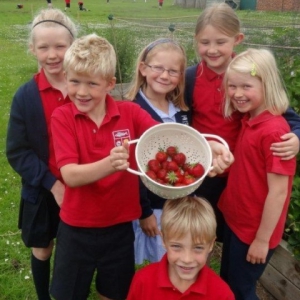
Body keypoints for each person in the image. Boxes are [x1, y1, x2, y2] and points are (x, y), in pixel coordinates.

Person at [185, 2, 300, 243]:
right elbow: (184, 119)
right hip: (201, 170)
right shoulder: (191, 78)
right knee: (199, 231)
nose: (212, 50)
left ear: (237, 39)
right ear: (196, 40)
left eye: (221, 42)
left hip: (237, 175)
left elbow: (287, 115)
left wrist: (298, 136)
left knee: (229, 235)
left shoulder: (249, 75)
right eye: (205, 43)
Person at [126, 38, 234, 265]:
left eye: (173, 71)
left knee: (177, 257)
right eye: (158, 68)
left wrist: (209, 149)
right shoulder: (132, 110)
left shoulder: (181, 110)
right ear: (143, 68)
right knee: (159, 258)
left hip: (181, 201)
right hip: (152, 206)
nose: (165, 76)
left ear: (181, 76)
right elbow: (133, 169)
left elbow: (186, 149)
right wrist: (144, 212)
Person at [6, 8, 77, 300]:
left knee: (73, 247)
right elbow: (17, 151)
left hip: (80, 185)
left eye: (60, 46)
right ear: (32, 49)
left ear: (73, 46)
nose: (53, 54)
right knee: (42, 246)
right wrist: (51, 183)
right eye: (44, 47)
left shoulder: (84, 88)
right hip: (42, 189)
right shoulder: (26, 96)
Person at [218, 48, 296, 300]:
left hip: (254, 231)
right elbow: (248, 168)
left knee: (241, 289)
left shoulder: (274, 132)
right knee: (228, 281)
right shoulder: (250, 120)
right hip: (237, 222)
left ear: (267, 84)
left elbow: (279, 192)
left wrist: (262, 240)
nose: (237, 94)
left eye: (246, 86)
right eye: (232, 86)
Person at [127, 196, 235, 300]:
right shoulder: (142, 281)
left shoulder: (222, 294)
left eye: (198, 248)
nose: (187, 259)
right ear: (164, 240)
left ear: (211, 244)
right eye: (176, 246)